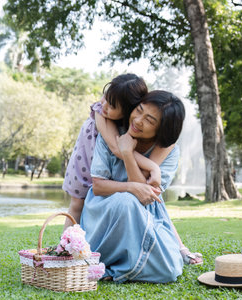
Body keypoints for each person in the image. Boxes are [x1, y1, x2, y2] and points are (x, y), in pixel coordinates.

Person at [81, 90, 201, 283]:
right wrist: (130, 188)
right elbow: (98, 186)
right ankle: (112, 263)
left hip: (146, 215)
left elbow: (146, 198)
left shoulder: (169, 153)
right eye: (138, 110)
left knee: (170, 269)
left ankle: (117, 268)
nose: (137, 120)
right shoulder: (111, 136)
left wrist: (128, 153)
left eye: (150, 120)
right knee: (127, 202)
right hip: (103, 211)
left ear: (161, 129)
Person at [62, 74, 175, 229]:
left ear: (128, 110)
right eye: (105, 96)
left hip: (106, 165)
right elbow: (117, 149)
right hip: (86, 156)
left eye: (112, 105)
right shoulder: (101, 112)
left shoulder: (131, 125)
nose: (104, 104)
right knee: (77, 204)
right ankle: (65, 248)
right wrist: (152, 167)